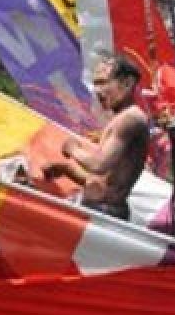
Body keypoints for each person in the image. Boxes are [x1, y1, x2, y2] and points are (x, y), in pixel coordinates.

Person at [42, 58, 150, 220]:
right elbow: (101, 182)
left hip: (105, 212)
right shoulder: (120, 119)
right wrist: (67, 169)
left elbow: (98, 165)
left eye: (103, 82)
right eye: (95, 84)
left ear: (127, 83)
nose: (97, 91)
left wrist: (73, 149)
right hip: (99, 209)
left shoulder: (131, 118)